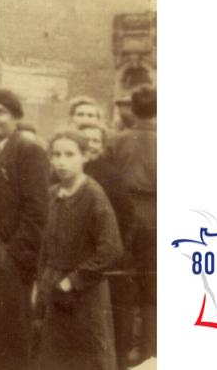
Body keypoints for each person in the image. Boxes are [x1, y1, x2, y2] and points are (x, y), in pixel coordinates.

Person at [0, 88, 49, 370]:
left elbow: (37, 212)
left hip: (9, 261)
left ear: (15, 116)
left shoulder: (27, 148)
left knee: (10, 342)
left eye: (0, 112)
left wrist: (14, 258)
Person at [35, 129, 121, 370]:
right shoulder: (52, 195)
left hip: (85, 295)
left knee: (88, 358)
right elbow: (45, 245)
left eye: (70, 154)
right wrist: (42, 282)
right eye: (56, 154)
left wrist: (74, 280)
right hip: (54, 289)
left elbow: (111, 249)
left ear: (84, 156)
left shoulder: (93, 195)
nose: (62, 161)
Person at [103, 85, 156, 361]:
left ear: (132, 110)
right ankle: (151, 355)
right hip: (159, 217)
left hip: (125, 217)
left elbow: (109, 182)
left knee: (123, 287)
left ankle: (121, 357)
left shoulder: (116, 141)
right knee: (153, 291)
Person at [76, 121, 135, 368]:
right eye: (85, 140)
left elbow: (125, 216)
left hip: (103, 258)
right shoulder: (66, 174)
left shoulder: (110, 175)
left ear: (103, 146)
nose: (90, 145)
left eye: (95, 141)